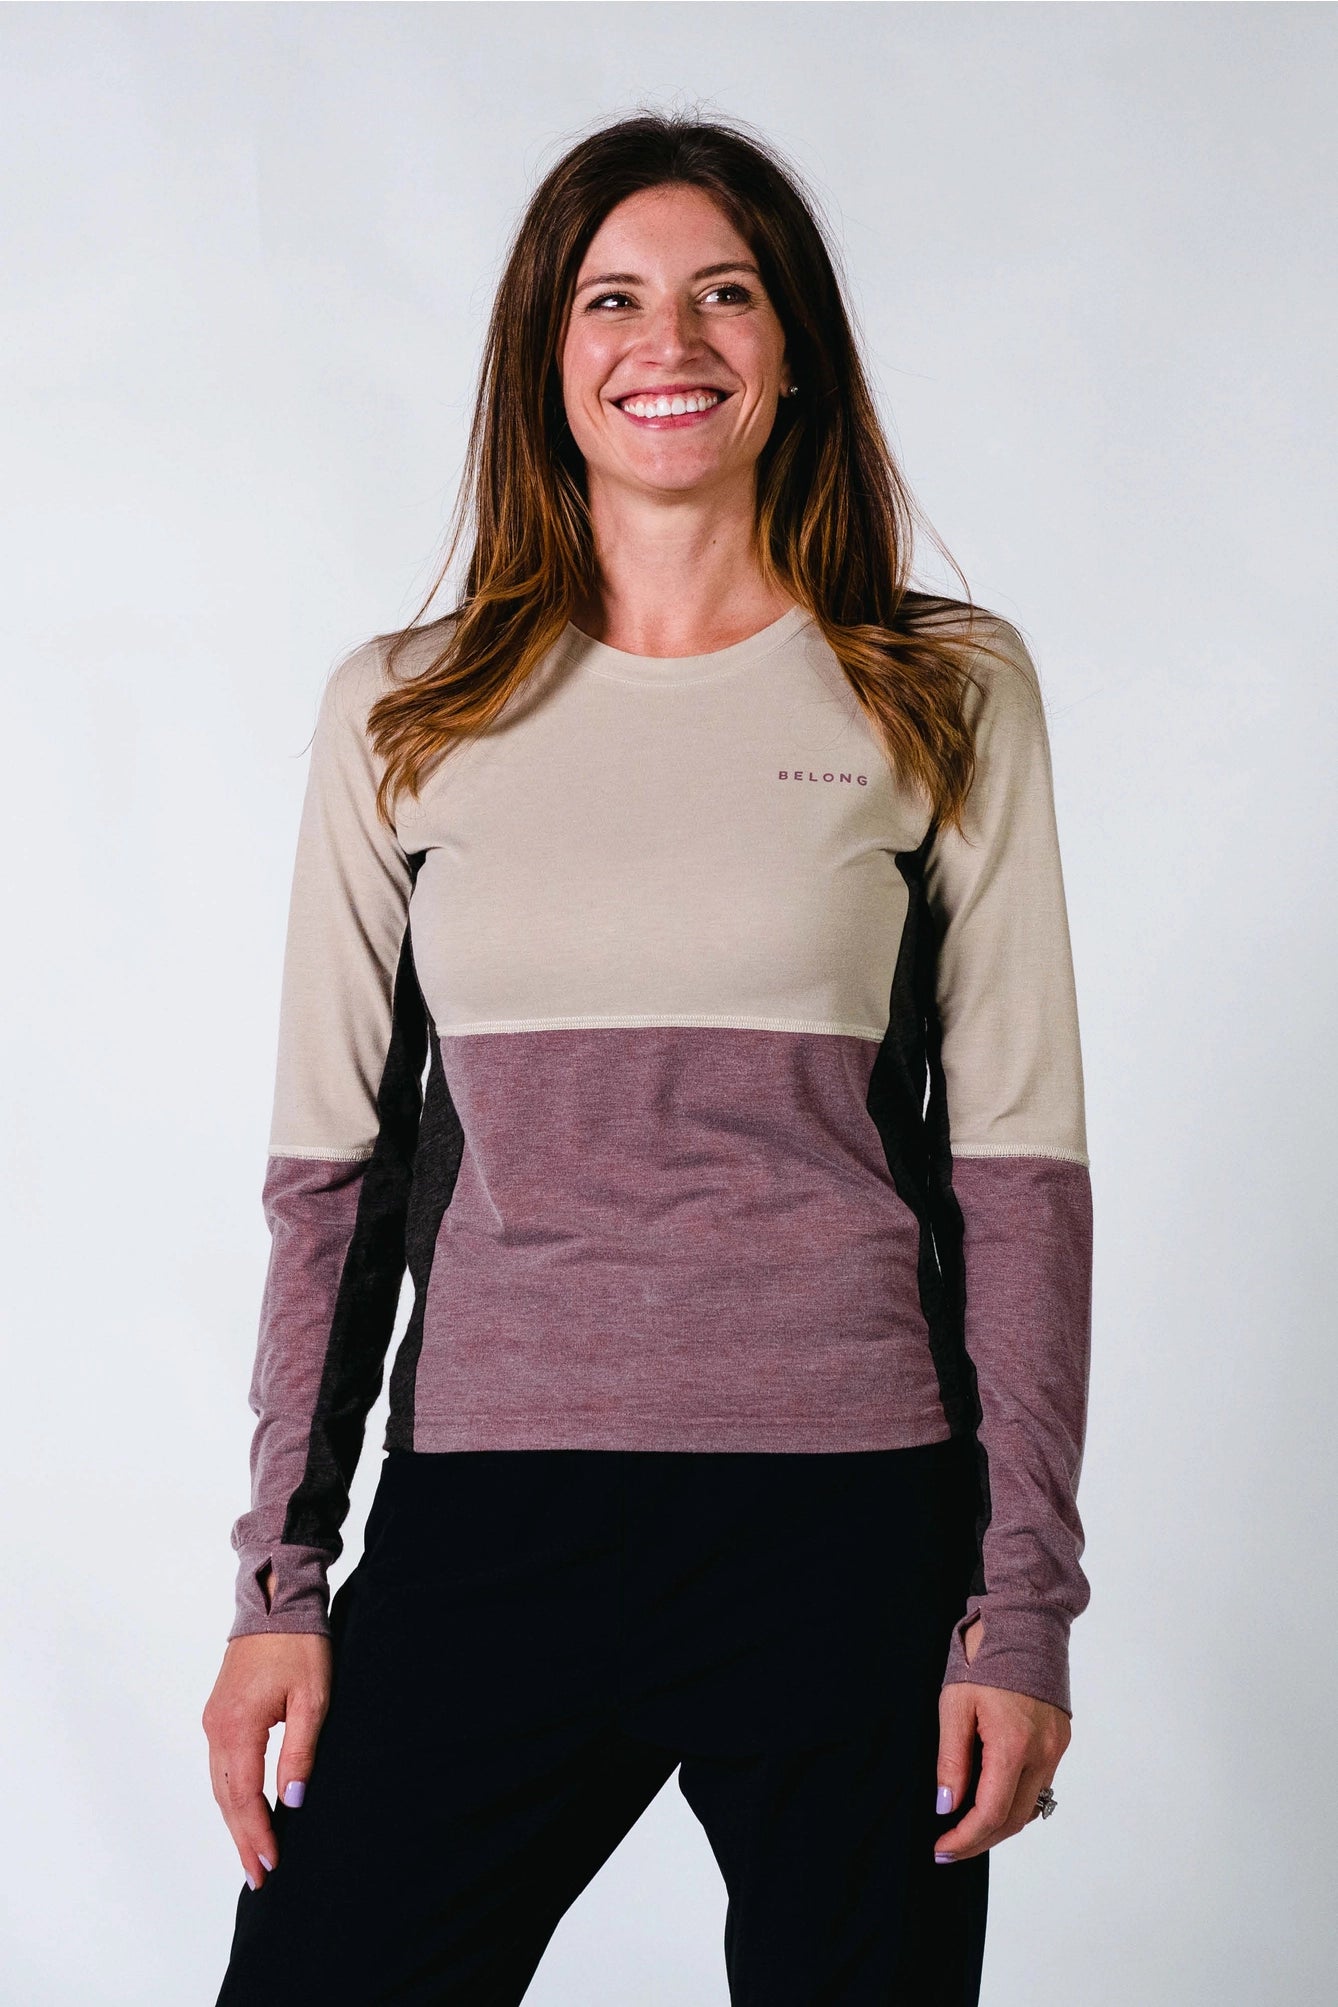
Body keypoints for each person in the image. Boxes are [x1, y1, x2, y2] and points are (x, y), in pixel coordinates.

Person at [203, 110, 1093, 2006]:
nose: (666, 342)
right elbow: (331, 1190)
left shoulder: (938, 688)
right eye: (610, 299)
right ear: (546, 354)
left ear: (793, 349)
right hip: (491, 1517)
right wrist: (280, 1584)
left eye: (723, 295)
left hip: (846, 1522)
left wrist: (1019, 1605)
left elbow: (1018, 1178)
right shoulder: (405, 712)